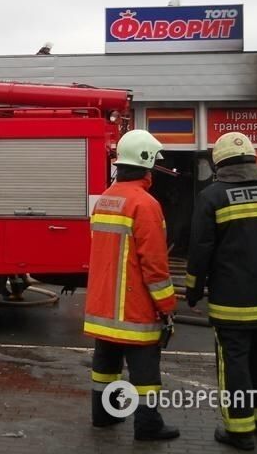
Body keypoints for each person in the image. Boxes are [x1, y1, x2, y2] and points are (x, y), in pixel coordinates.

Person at [187, 132, 257, 451]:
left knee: (234, 363)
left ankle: (239, 431)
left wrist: (193, 291)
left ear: (219, 163)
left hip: (230, 305)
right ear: (252, 159)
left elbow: (200, 250)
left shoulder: (212, 197)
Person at [84, 129, 179, 441]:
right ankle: (148, 426)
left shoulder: (104, 200)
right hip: (134, 309)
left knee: (105, 366)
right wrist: (167, 306)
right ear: (146, 163)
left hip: (103, 308)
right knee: (145, 373)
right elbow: (154, 266)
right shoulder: (145, 205)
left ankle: (104, 415)